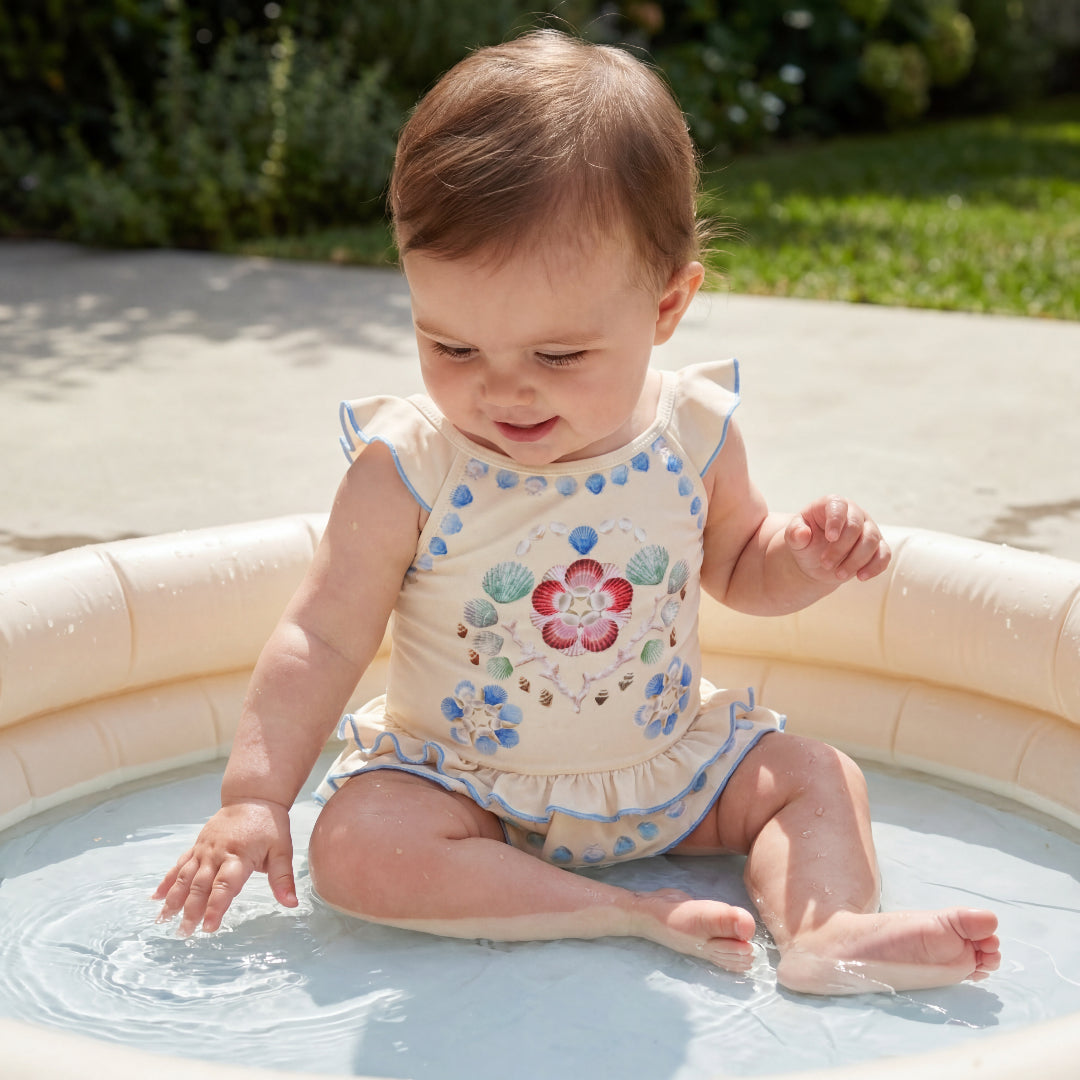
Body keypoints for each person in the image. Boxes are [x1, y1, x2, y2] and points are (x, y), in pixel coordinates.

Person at [154, 29, 1000, 995]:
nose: (502, 392)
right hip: (463, 786)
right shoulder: (412, 465)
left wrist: (801, 559)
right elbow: (319, 636)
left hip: (667, 774)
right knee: (354, 848)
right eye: (452, 346)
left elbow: (739, 567)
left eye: (558, 358)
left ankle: (827, 931)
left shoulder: (694, 430)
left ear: (668, 305)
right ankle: (625, 911)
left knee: (817, 777)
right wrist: (258, 797)